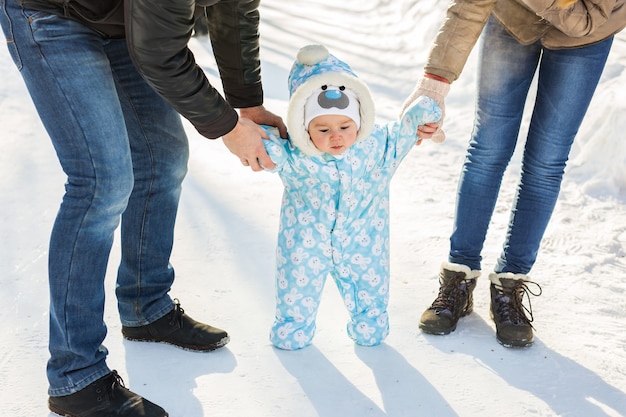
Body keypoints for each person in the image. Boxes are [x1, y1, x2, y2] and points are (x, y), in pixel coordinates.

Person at [0, 0, 286, 416]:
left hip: (121, 20)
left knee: (163, 157)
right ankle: (74, 377)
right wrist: (227, 127)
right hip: (49, 15)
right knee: (101, 182)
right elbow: (159, 54)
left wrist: (248, 103)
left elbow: (234, 10)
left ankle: (144, 305)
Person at [404, 0, 626, 348]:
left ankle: (510, 283)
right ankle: (459, 278)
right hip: (511, 19)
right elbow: (470, 5)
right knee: (488, 148)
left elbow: (584, 21)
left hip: (585, 37)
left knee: (547, 161)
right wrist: (435, 80)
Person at [261, 44, 442, 350]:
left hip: (364, 242)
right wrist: (265, 143)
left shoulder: (376, 147)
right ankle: (292, 326)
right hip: (305, 242)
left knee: (370, 298)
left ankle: (369, 324)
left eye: (345, 126)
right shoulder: (296, 154)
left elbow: (403, 131)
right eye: (322, 129)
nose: (336, 136)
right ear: (303, 127)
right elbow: (270, 149)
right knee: (295, 286)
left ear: (360, 117)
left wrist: (420, 116)